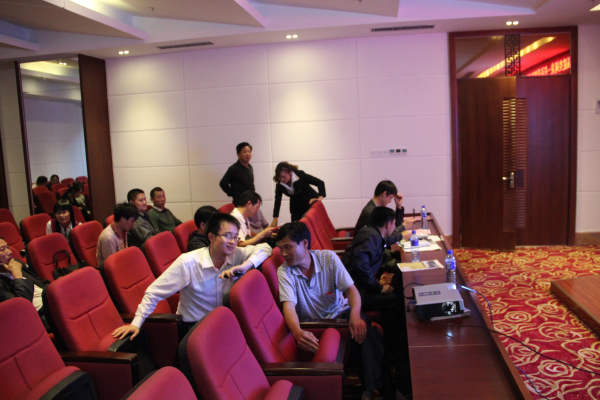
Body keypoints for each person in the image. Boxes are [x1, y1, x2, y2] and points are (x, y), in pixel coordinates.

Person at [276, 222, 395, 400]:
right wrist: (297, 331)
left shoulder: (328, 258)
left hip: (340, 312)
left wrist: (355, 314)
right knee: (370, 336)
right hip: (317, 323)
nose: (284, 254)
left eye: (288, 247)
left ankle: (370, 391)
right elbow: (289, 307)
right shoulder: (285, 271)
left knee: (365, 328)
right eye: (281, 248)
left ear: (305, 243)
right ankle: (380, 392)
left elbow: (351, 291)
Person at [111, 213, 272, 339]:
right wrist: (136, 323)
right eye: (227, 236)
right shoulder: (188, 262)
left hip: (224, 322)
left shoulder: (237, 255)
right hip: (196, 327)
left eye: (236, 237)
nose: (233, 242)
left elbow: (266, 248)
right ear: (211, 237)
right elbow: (154, 292)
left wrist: (246, 265)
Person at [342, 207, 409, 394]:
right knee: (396, 301)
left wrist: (403, 235)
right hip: (355, 293)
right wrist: (379, 287)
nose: (394, 227)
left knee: (397, 286)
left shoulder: (372, 233)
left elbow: (386, 241)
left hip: (359, 287)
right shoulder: (370, 237)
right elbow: (361, 266)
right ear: (388, 225)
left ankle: (393, 342)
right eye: (394, 224)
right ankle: (392, 344)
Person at [219, 142, 269, 233]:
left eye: (249, 151)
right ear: (238, 154)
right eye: (245, 152)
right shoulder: (233, 168)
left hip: (252, 202)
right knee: (246, 229)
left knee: (258, 225)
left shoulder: (250, 167)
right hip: (241, 204)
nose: (248, 154)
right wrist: (232, 193)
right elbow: (223, 183)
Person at [0, 238, 51, 328]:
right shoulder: (2, 283)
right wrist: (17, 275)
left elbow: (40, 282)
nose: (9, 252)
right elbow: (21, 308)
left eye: (7, 247)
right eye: (2, 249)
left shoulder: (17, 263)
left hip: (50, 301)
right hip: (41, 317)